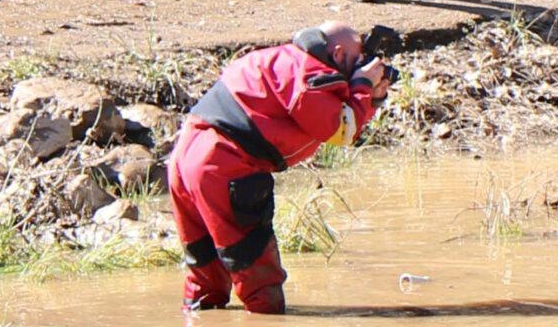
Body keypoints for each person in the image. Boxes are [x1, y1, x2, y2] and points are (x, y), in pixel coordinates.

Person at [167, 21, 390, 313]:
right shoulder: (311, 73)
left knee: (204, 274)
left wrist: (370, 96)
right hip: (223, 166)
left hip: (184, 159)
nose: (364, 64)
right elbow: (340, 129)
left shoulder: (278, 59)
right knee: (258, 276)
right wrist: (362, 85)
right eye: (359, 56)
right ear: (336, 53)